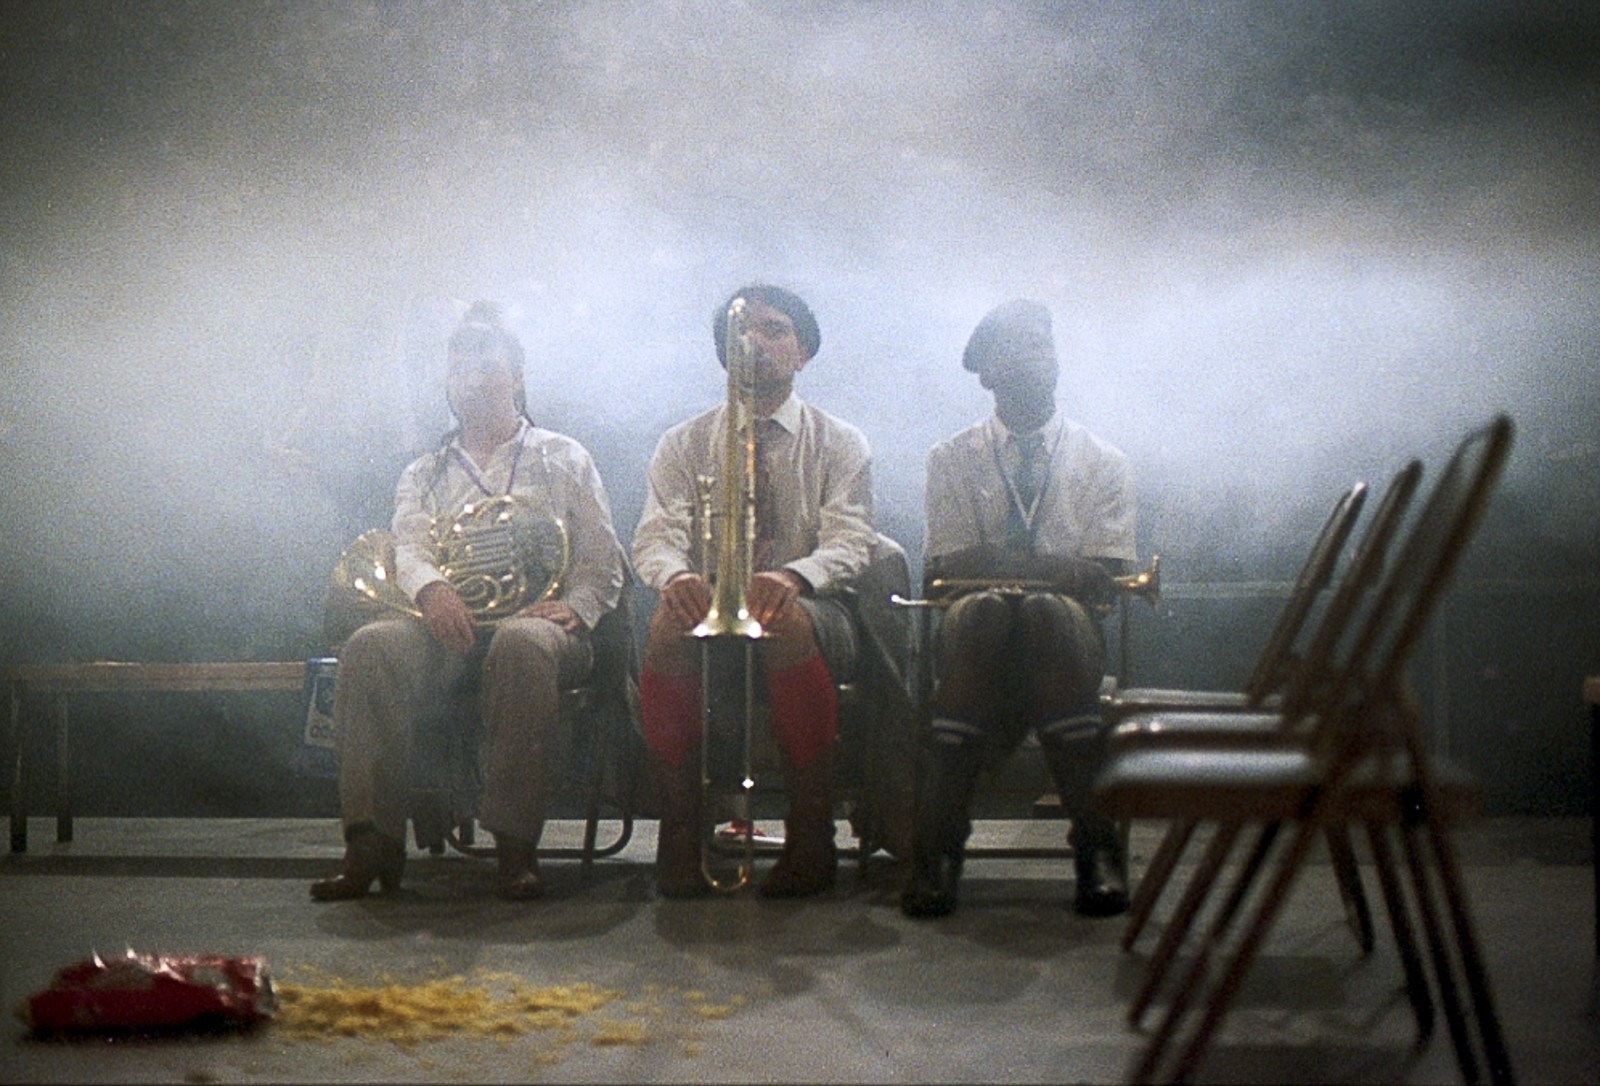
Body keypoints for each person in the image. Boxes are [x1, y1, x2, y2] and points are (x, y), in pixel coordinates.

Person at [311, 302, 627, 903]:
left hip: (539, 623)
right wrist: (433, 590)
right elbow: (409, 547)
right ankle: (369, 844)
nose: (473, 381)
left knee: (522, 645)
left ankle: (514, 846)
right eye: (460, 370)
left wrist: (580, 607)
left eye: (488, 367)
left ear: (518, 376)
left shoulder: (563, 457)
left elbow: (600, 555)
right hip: (447, 625)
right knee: (370, 646)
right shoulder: (424, 473)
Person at [633, 283, 875, 899]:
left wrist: (793, 577)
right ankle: (680, 830)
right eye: (742, 333)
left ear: (803, 352)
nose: (756, 343)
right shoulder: (683, 442)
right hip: (712, 595)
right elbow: (655, 537)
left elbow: (852, 542)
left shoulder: (839, 441)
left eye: (775, 330)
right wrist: (676, 577)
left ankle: (811, 833)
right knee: (666, 625)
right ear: (723, 355)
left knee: (781, 620)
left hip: (812, 605)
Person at [902, 298, 1137, 920]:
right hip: (977, 633)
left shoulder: (1104, 460)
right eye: (1014, 348)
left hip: (1062, 638)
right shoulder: (950, 457)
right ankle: (942, 848)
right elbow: (950, 566)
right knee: (985, 613)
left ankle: (1089, 846)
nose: (1034, 358)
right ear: (986, 373)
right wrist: (1058, 569)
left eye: (1042, 345)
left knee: (1045, 616)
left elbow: (1104, 577)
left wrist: (1020, 572)